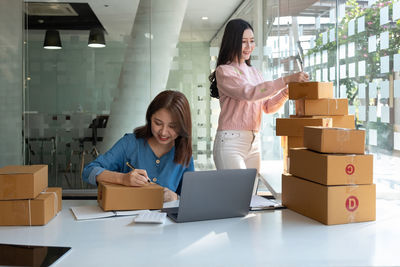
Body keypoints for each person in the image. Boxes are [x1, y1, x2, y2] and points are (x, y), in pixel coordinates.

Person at [209, 18, 309, 190]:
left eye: (252, 41)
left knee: (250, 197)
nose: (249, 47)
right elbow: (249, 93)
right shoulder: (224, 71)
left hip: (254, 143)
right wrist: (285, 80)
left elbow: (268, 107)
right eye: (244, 42)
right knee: (237, 195)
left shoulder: (255, 73)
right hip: (230, 143)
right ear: (232, 42)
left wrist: (287, 91)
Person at [82, 90, 194, 202]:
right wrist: (123, 178)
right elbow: (88, 171)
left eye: (172, 126)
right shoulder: (130, 143)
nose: (163, 132)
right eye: (158, 123)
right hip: (125, 217)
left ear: (183, 126)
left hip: (166, 219)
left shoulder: (185, 154)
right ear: (150, 118)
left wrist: (176, 197)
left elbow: (190, 200)